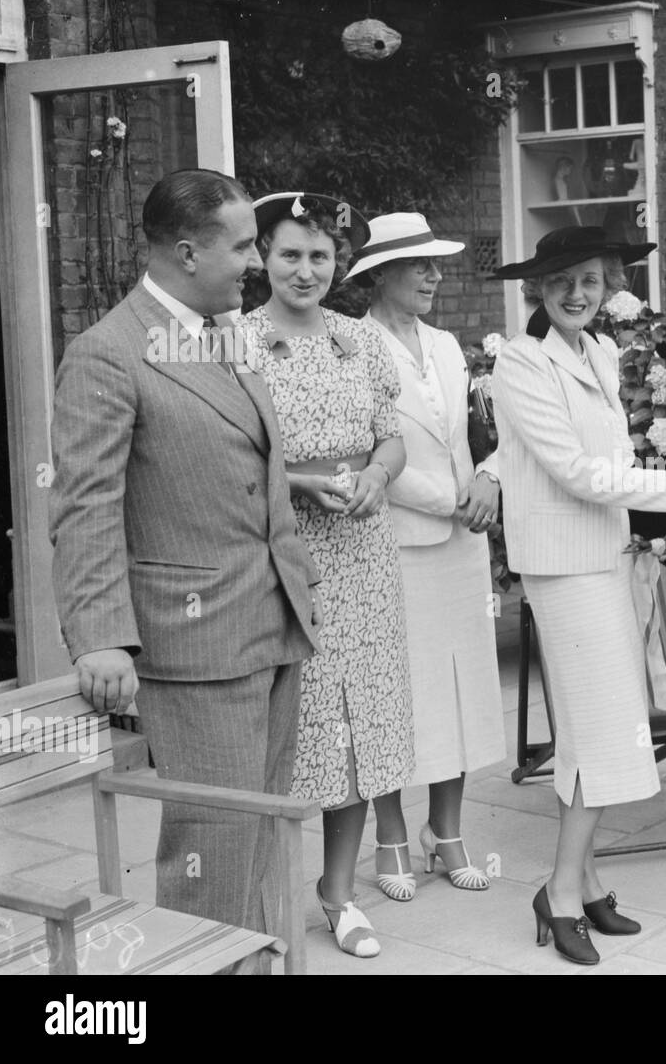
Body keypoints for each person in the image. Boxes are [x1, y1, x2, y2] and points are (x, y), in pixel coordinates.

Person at [48, 169, 322, 971]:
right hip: (195, 643)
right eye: (242, 245)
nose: (256, 261)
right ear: (186, 249)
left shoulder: (221, 333)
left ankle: (258, 962)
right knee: (208, 847)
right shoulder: (107, 354)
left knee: (266, 833)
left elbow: (247, 462)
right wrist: (100, 637)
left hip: (271, 622)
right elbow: (86, 505)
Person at [490, 226, 666, 965]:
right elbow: (576, 473)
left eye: (590, 280)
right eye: (560, 279)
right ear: (536, 287)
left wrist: (654, 522)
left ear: (608, 286)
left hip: (606, 551)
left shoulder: (600, 351)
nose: (575, 293)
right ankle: (561, 890)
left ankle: (587, 879)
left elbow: (618, 462)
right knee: (603, 726)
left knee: (590, 727)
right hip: (562, 565)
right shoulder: (520, 363)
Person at [241, 192, 415, 959]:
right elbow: (228, 464)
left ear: (337, 262)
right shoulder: (237, 344)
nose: (306, 270)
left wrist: (379, 473)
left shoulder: (361, 341)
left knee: (357, 729)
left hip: (365, 557)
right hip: (284, 558)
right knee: (292, 728)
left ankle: (339, 894)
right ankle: (268, 894)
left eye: (319, 256)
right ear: (263, 258)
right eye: (290, 255)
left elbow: (394, 436)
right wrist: (295, 484)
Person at [346, 212, 507, 892]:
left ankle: (448, 834)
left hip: (461, 549)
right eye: (421, 264)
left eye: (437, 263)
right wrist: (448, 499)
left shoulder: (447, 345)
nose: (435, 275)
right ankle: (391, 839)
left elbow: (483, 430)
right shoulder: (352, 345)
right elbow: (363, 448)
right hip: (396, 543)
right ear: (381, 273)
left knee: (459, 686)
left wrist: (491, 477)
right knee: (399, 692)